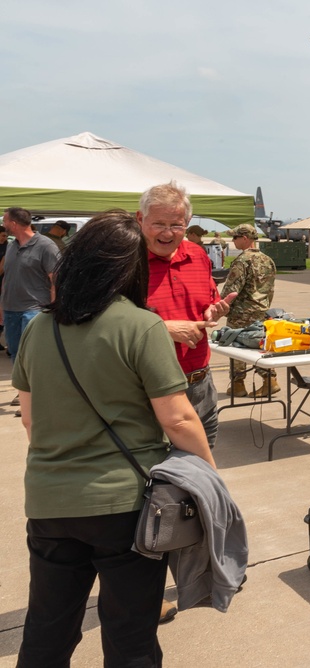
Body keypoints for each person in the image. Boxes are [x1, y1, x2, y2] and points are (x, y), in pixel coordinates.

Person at [11, 209, 216, 666]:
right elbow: (178, 419)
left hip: (49, 501)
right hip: (125, 508)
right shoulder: (141, 326)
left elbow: (30, 419)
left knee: (48, 625)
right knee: (130, 634)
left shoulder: (39, 328)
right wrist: (211, 479)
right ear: (131, 267)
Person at [137, 181, 235, 453]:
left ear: (187, 222)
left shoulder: (197, 255)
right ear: (140, 219)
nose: (168, 233)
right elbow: (104, 323)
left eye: (177, 225)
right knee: (157, 477)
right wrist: (162, 329)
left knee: (199, 471)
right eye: (159, 224)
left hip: (200, 384)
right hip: (151, 391)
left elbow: (207, 299)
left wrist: (214, 308)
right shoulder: (125, 261)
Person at [222, 223, 277, 397]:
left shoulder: (242, 261)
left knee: (236, 346)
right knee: (259, 346)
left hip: (241, 313)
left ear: (245, 238)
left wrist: (221, 306)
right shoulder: (268, 260)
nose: (233, 241)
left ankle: (238, 384)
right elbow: (270, 289)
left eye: (235, 237)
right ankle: (270, 379)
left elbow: (231, 289)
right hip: (261, 311)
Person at [2, 207, 59, 364]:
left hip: (34, 310)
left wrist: (54, 309)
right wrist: (1, 306)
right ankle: (22, 388)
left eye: (5, 221)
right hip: (10, 310)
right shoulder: (11, 246)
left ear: (13, 224)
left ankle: (35, 387)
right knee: (15, 353)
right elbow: (7, 277)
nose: (3, 224)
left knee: (33, 355)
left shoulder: (46, 246)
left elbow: (56, 280)